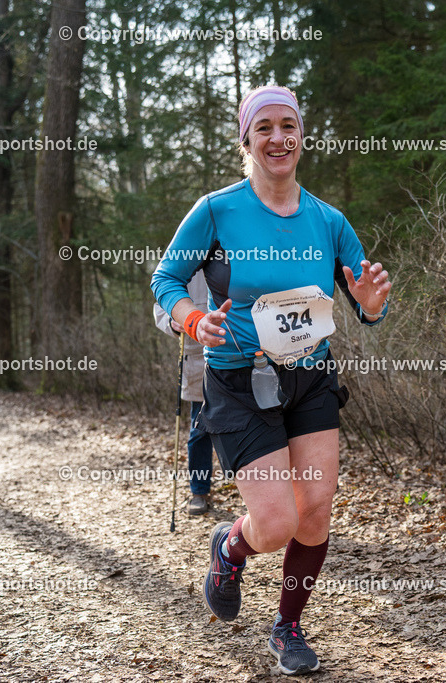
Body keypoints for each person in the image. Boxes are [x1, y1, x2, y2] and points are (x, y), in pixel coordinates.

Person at [151, 85, 391, 676]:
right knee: (278, 522)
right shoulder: (217, 210)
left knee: (315, 511)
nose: (278, 138)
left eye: (289, 126)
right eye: (265, 128)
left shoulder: (329, 220)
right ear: (247, 140)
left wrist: (370, 305)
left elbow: (364, 300)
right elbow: (166, 280)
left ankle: (288, 628)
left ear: (302, 137)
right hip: (240, 380)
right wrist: (193, 319)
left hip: (311, 377)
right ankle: (230, 547)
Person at [153, 271, 215, 515]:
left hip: (237, 357)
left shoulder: (237, 254)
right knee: (199, 431)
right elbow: (160, 306)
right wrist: (171, 323)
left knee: (245, 429)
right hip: (197, 361)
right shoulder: (183, 261)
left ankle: (254, 496)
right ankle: (199, 491)